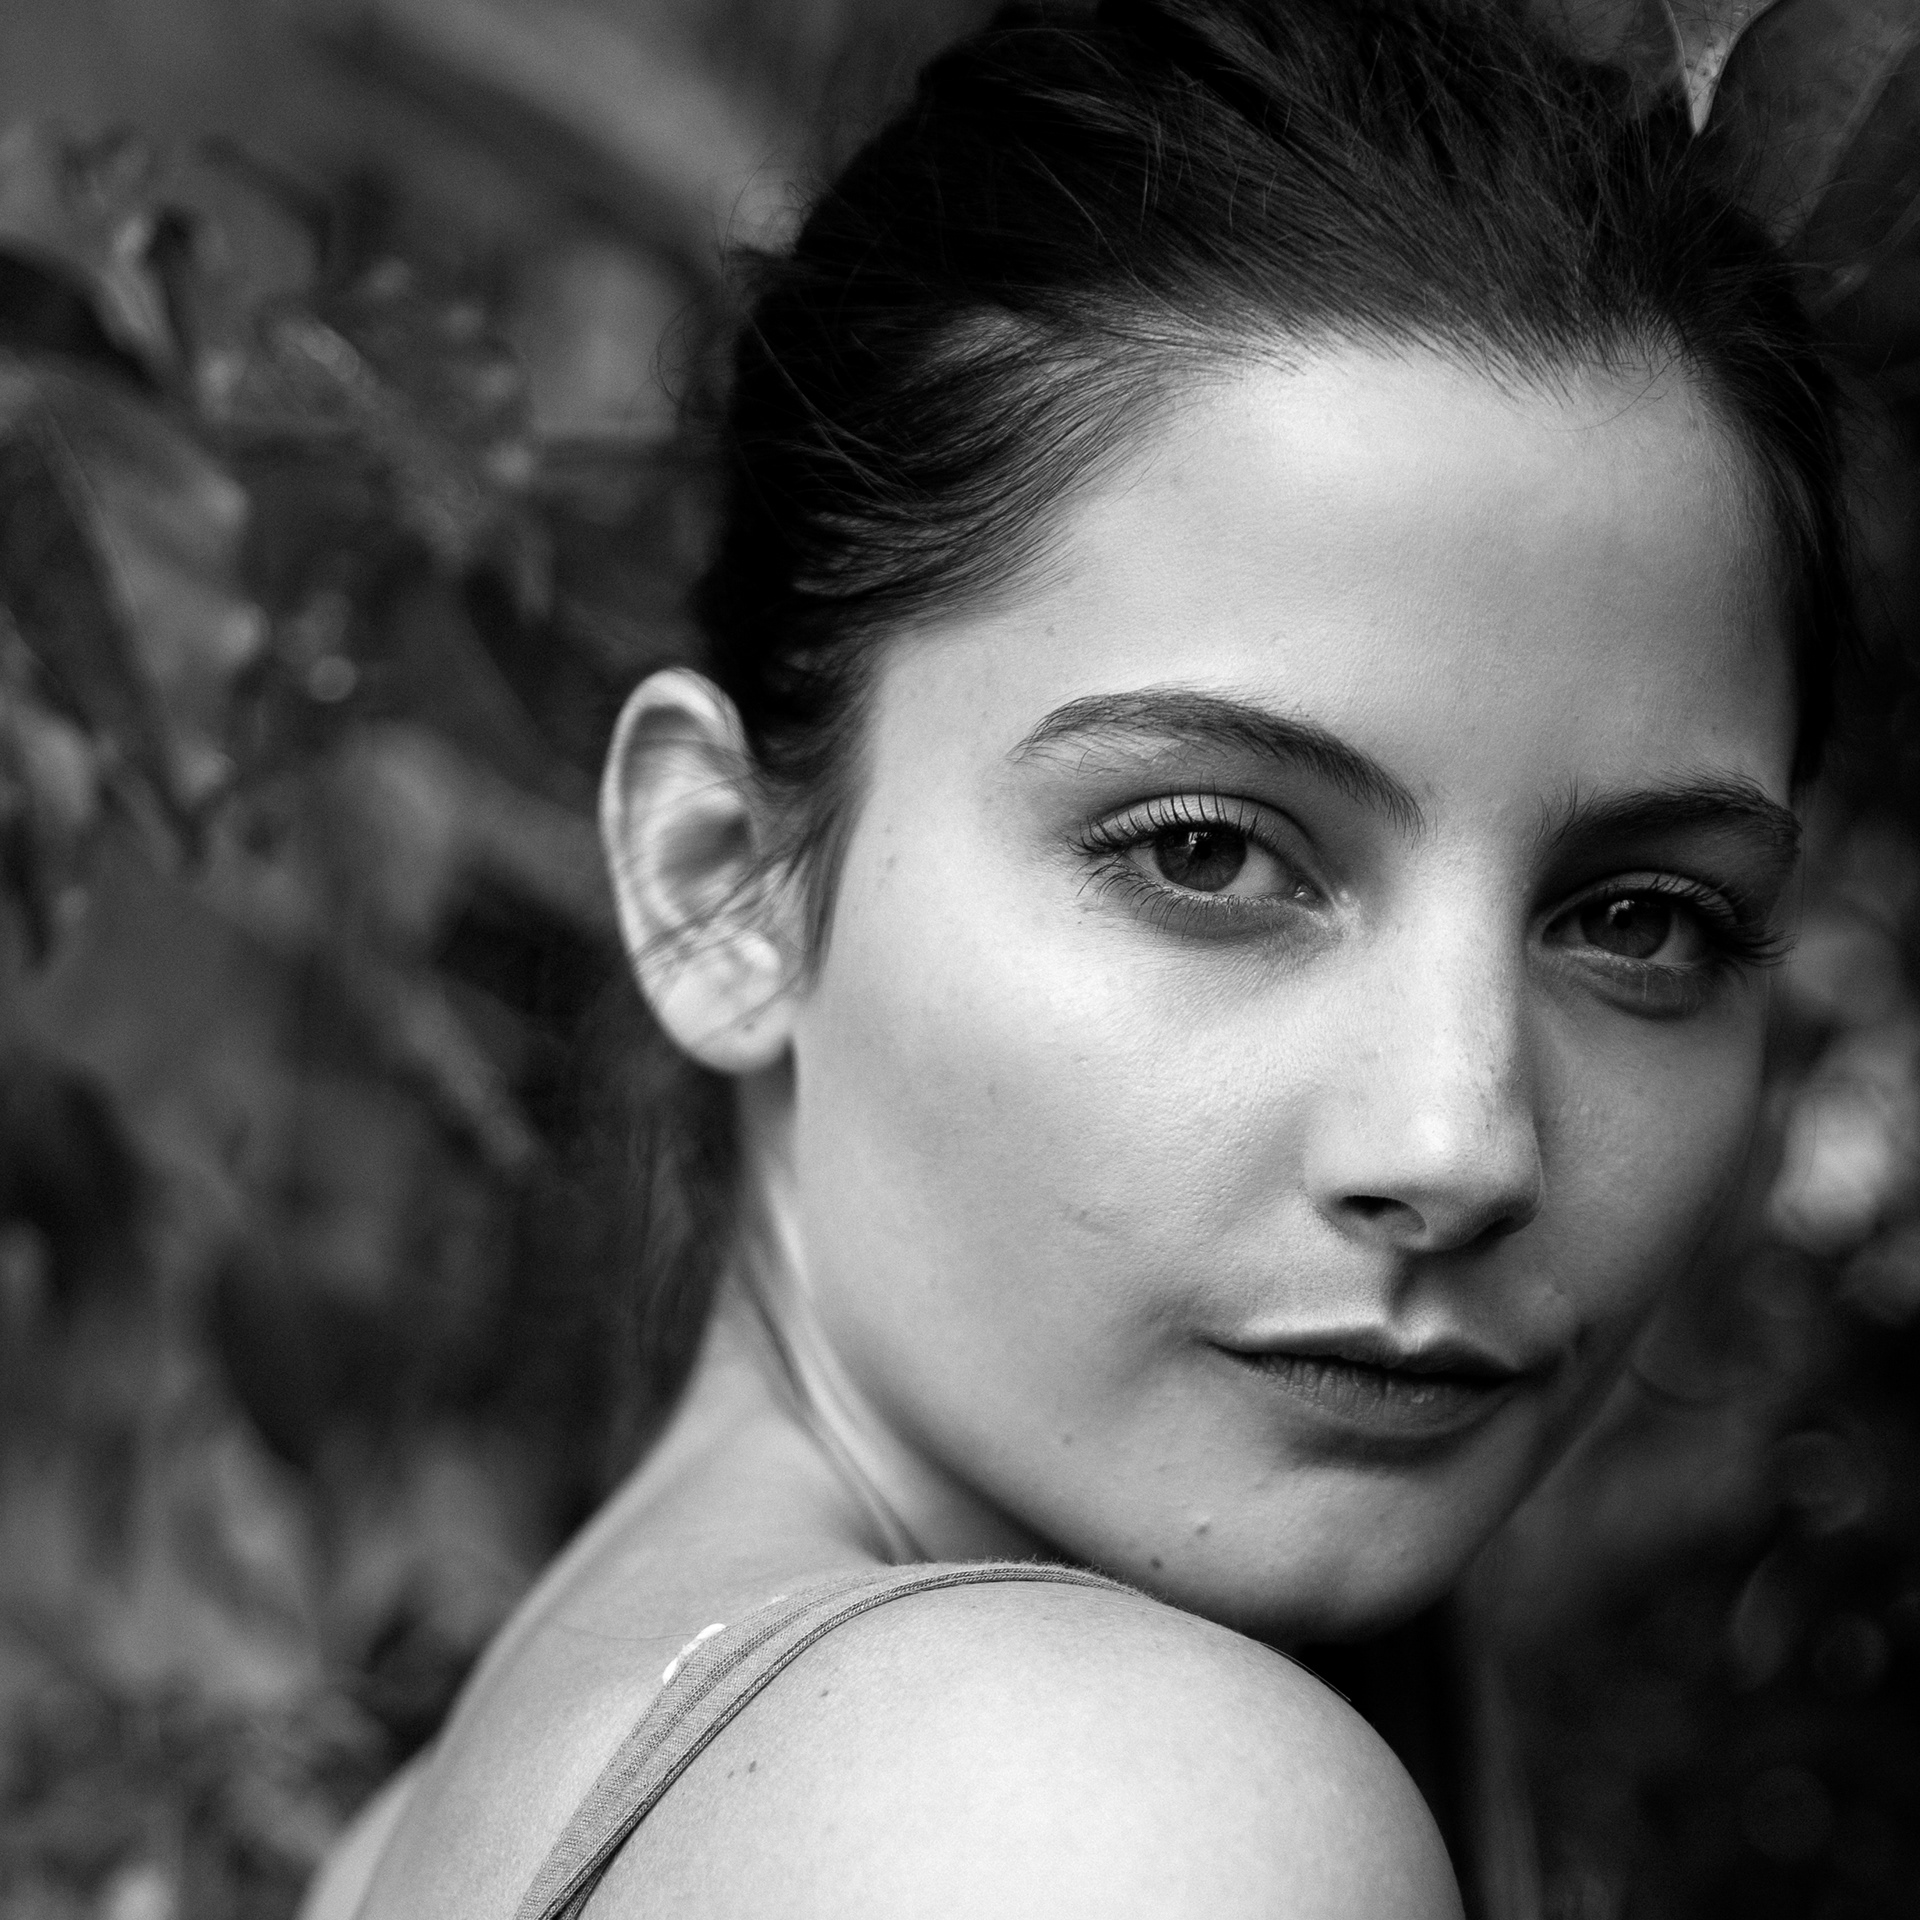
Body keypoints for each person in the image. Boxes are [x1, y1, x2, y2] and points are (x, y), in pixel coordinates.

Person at [305, 0, 1850, 1913]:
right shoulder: (1094, 1816)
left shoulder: (429, 1826)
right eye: (1206, 853)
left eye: (1640, 920)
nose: (1463, 1146)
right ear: (723, 876)